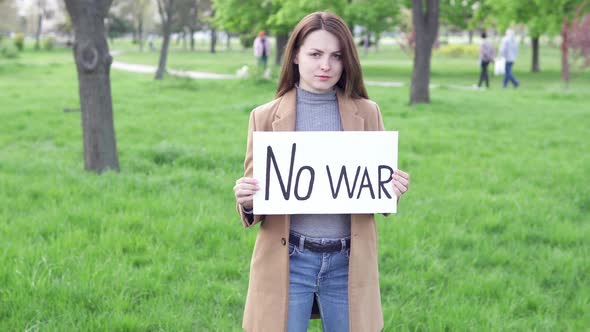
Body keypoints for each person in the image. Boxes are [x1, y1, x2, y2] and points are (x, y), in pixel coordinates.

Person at [233, 12, 410, 332]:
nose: (326, 65)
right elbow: (258, 202)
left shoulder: (368, 113)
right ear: (296, 56)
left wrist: (391, 190)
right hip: (288, 260)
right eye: (315, 54)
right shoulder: (264, 117)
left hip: (348, 262)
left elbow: (376, 196)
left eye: (336, 56)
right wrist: (247, 200)